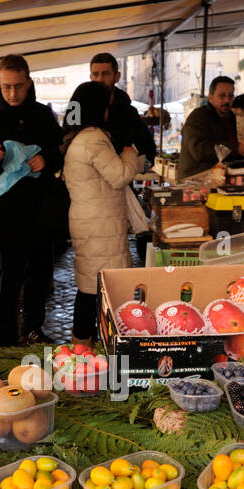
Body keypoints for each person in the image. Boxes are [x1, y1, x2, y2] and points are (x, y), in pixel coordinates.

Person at [0, 54, 64, 346]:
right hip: (8, 215)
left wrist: (48, 159)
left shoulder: (44, 116)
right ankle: (5, 336)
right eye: (6, 87)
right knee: (11, 277)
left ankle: (33, 328)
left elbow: (60, 152)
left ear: (29, 83)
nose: (13, 93)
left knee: (40, 275)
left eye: (18, 86)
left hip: (42, 212)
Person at [61, 81, 140, 346]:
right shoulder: (93, 139)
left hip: (92, 221)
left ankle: (83, 345)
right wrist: (130, 153)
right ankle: (90, 346)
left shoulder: (78, 137)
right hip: (100, 225)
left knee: (89, 286)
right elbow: (119, 176)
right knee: (98, 289)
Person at [88, 52, 155, 166]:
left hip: (119, 177)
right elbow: (66, 138)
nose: (99, 79)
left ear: (117, 77)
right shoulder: (78, 105)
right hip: (85, 176)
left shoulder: (129, 112)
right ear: (90, 77)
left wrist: (129, 159)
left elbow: (147, 146)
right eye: (95, 74)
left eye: (105, 74)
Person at [177, 75, 244, 178]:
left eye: (231, 96)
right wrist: (237, 148)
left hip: (220, 179)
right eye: (222, 96)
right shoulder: (198, 116)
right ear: (210, 97)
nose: (227, 100)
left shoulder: (232, 117)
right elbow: (200, 151)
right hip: (195, 182)